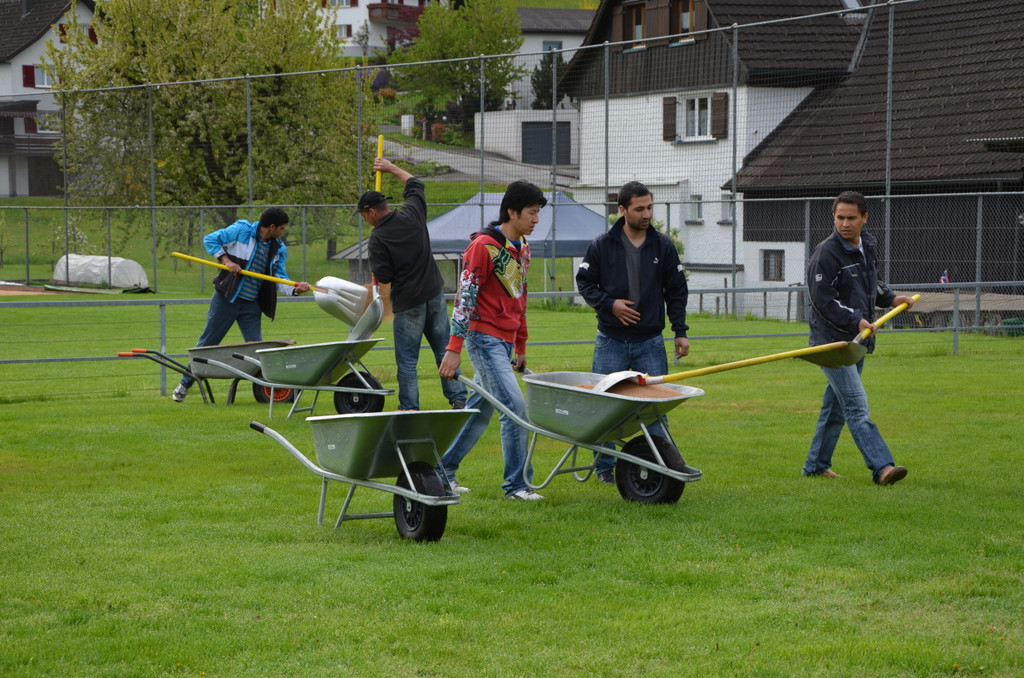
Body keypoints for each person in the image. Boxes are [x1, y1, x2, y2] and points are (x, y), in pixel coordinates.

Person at [436, 181, 547, 500]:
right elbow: (465, 297)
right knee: (514, 408)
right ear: (512, 212)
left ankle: (442, 473)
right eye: (531, 213)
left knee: (479, 411)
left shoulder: (522, 247)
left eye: (537, 213)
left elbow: (520, 297)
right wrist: (453, 349)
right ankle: (517, 486)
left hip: (505, 341)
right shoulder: (482, 247)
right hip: (483, 339)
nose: (536, 219)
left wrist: (521, 344)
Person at [575, 181, 690, 484]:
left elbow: (677, 290)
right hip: (610, 341)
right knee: (605, 406)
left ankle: (661, 466)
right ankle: (604, 468)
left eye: (650, 207)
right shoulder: (601, 245)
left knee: (655, 410)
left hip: (651, 343)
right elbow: (585, 283)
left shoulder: (663, 246)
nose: (647, 214)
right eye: (640, 209)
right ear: (622, 210)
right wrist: (610, 304)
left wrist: (680, 331)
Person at [802, 190, 916, 485]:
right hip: (833, 345)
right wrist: (856, 320)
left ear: (865, 218)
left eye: (851, 217)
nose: (845, 223)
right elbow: (823, 300)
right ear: (833, 217)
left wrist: (890, 298)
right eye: (840, 217)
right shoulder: (826, 254)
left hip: (857, 341)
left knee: (835, 409)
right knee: (856, 406)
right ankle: (883, 467)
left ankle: (815, 466)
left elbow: (869, 284)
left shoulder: (866, 245)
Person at [359, 157, 468, 411]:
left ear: (372, 212)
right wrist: (389, 168)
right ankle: (459, 399)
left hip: (408, 304)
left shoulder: (378, 238)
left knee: (407, 359)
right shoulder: (413, 213)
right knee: (444, 351)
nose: (364, 220)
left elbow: (384, 278)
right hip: (434, 294)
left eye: (364, 215)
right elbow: (415, 184)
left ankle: (409, 406)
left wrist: (383, 303)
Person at [172, 207, 310, 402]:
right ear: (271, 227)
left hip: (251, 305)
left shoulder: (278, 249)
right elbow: (210, 240)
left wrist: (296, 289)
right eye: (281, 228)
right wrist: (227, 261)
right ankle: (184, 385)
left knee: (257, 350)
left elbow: (280, 279)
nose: (283, 232)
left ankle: (271, 391)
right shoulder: (242, 231)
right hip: (226, 299)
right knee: (207, 344)